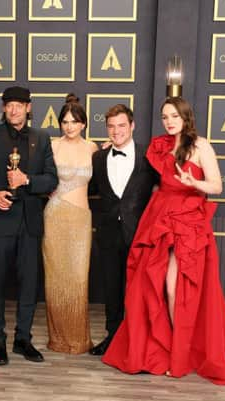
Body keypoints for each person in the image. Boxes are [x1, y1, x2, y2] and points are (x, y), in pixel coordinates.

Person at [102, 97, 225, 384]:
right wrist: (110, 147)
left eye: (174, 116)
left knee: (176, 288)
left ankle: (181, 351)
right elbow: (140, 171)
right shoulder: (160, 145)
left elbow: (217, 185)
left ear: (185, 116)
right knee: (147, 284)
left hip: (188, 220)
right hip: (159, 217)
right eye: (165, 117)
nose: (169, 121)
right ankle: (158, 347)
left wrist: (194, 183)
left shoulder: (201, 145)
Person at [0, 86, 59, 365]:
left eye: (19, 105)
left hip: (30, 223)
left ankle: (23, 339)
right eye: (9, 105)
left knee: (29, 285)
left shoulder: (42, 138)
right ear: (3, 108)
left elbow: (51, 180)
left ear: (28, 108)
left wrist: (27, 181)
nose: (14, 110)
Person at [88, 104, 157, 356]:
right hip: (107, 233)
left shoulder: (148, 156)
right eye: (111, 127)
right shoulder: (98, 157)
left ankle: (139, 342)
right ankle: (113, 337)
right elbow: (90, 189)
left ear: (132, 126)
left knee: (139, 291)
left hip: (140, 234)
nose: (116, 131)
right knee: (112, 288)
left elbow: (165, 188)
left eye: (121, 125)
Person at [42, 94, 98, 354]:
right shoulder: (51, 146)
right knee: (55, 279)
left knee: (78, 278)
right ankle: (58, 339)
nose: (69, 126)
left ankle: (78, 339)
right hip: (55, 215)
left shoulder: (93, 148)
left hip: (80, 219)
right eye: (65, 121)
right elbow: (42, 180)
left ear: (84, 124)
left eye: (74, 121)